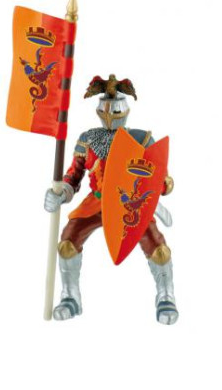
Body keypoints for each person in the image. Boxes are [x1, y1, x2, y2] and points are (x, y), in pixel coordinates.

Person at [44, 75, 178, 325]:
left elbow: (160, 177)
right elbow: (74, 176)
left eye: (115, 109)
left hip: (130, 203)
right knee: (67, 243)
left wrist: (161, 186)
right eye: (106, 109)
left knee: (158, 248)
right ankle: (70, 297)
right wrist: (60, 193)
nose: (110, 115)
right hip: (96, 202)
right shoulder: (88, 140)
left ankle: (166, 296)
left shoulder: (141, 139)